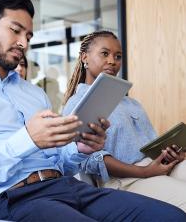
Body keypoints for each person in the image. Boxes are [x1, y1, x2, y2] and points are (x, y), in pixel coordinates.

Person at [0, 0, 186, 221]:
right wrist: (27, 139)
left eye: (27, 36)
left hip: (68, 187)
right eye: (15, 31)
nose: (23, 43)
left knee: (172, 217)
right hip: (17, 199)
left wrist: (81, 149)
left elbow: (62, 162)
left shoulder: (34, 94)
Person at [62, 30, 186, 211]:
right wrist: (145, 172)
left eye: (117, 56)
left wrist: (170, 154)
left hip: (154, 168)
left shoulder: (131, 103)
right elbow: (88, 159)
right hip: (124, 181)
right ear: (84, 58)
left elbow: (150, 144)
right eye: (105, 54)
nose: (112, 61)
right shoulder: (78, 103)